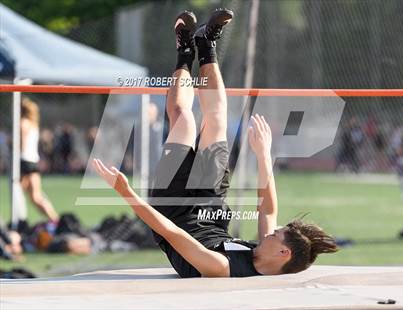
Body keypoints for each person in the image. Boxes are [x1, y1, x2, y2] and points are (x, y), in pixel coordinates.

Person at [93, 9, 338, 278]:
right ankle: (207, 45)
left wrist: (126, 192)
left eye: (276, 234)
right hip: (211, 205)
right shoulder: (264, 252)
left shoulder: (222, 267)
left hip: (174, 209)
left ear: (283, 253)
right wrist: (264, 156)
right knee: (217, 119)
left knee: (183, 119)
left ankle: (185, 52)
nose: (271, 232)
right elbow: (267, 208)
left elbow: (170, 232)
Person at [20, 98, 59, 222]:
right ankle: (55, 220)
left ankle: (55, 220)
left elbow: (22, 146)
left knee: (21, 194)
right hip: (31, 161)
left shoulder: (23, 123)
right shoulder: (32, 123)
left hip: (24, 161)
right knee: (35, 197)